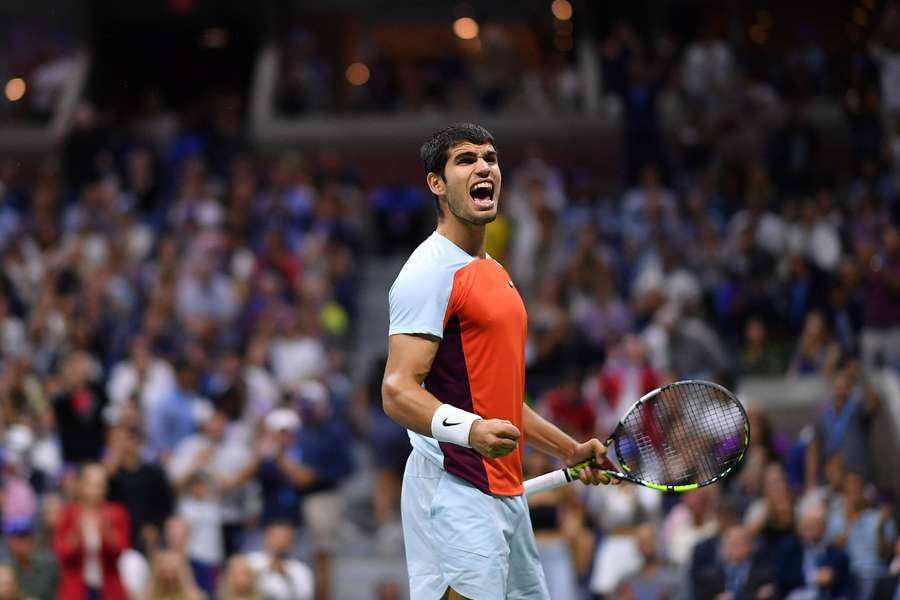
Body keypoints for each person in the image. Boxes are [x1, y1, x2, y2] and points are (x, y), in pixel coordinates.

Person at [382, 123, 615, 600]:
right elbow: (397, 390)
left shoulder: (495, 273)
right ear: (437, 184)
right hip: (451, 488)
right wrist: (469, 431)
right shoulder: (427, 273)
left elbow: (501, 402)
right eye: (465, 160)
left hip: (504, 493)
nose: (484, 166)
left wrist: (567, 449)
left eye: (489, 157)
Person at [53, 463, 131, 600]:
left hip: (109, 588)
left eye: (101, 485)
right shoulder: (68, 514)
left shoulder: (117, 512)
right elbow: (61, 553)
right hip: (75, 589)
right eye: (93, 484)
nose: (98, 490)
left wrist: (106, 532)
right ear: (80, 485)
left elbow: (121, 549)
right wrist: (77, 536)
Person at [245, 521, 314, 600]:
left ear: (291, 542)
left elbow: (304, 596)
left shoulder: (301, 570)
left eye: (285, 537)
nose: (280, 541)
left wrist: (286, 577)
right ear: (266, 537)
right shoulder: (249, 561)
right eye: (276, 536)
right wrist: (265, 570)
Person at [0, 517, 58, 600]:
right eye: (16, 538)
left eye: (24, 537)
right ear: (9, 541)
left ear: (33, 539)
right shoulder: (5, 568)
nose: (21, 543)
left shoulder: (49, 564)